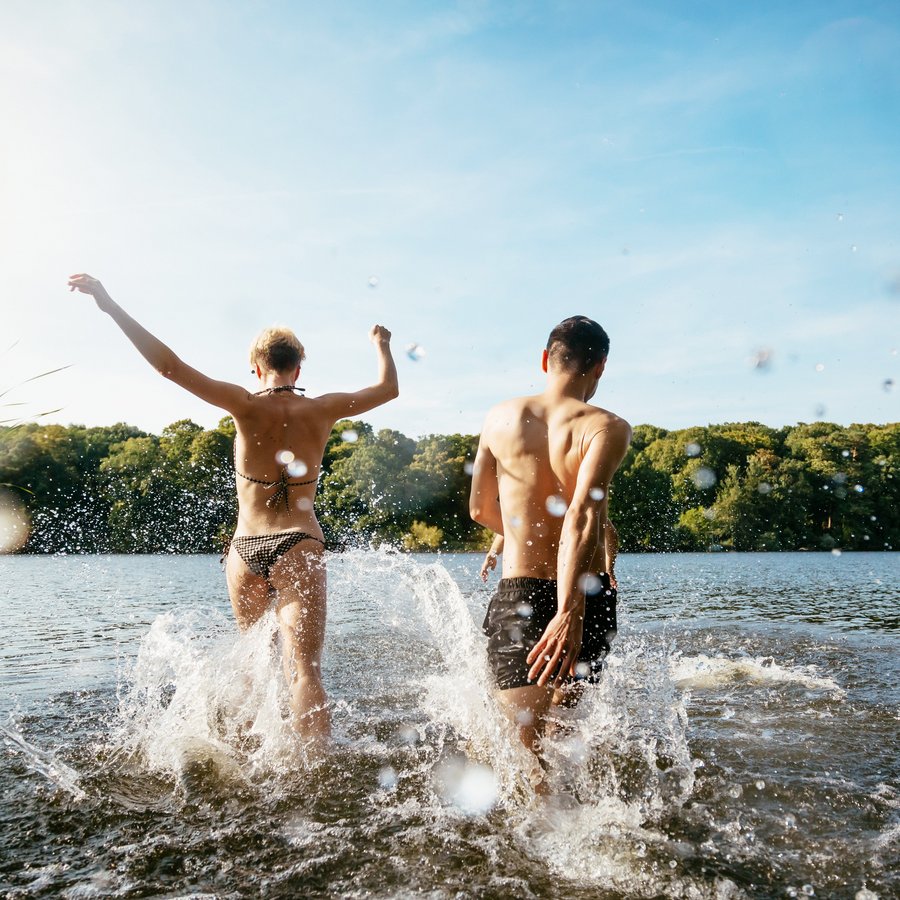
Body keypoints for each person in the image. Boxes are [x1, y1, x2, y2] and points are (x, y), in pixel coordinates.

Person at [68, 273, 398, 741]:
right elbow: (388, 390)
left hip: (245, 549)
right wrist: (381, 344)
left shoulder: (243, 403)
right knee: (304, 670)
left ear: (256, 367)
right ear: (299, 369)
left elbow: (169, 367)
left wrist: (108, 303)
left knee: (254, 662)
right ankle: (313, 775)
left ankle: (243, 761)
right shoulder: (323, 409)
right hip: (299, 543)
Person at [469, 315, 631, 766]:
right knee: (564, 736)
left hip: (519, 591)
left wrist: (518, 535)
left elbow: (479, 510)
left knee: (522, 752)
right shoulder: (606, 427)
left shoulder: (498, 418)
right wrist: (568, 611)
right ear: (600, 366)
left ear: (545, 359)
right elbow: (582, 513)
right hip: (585, 594)